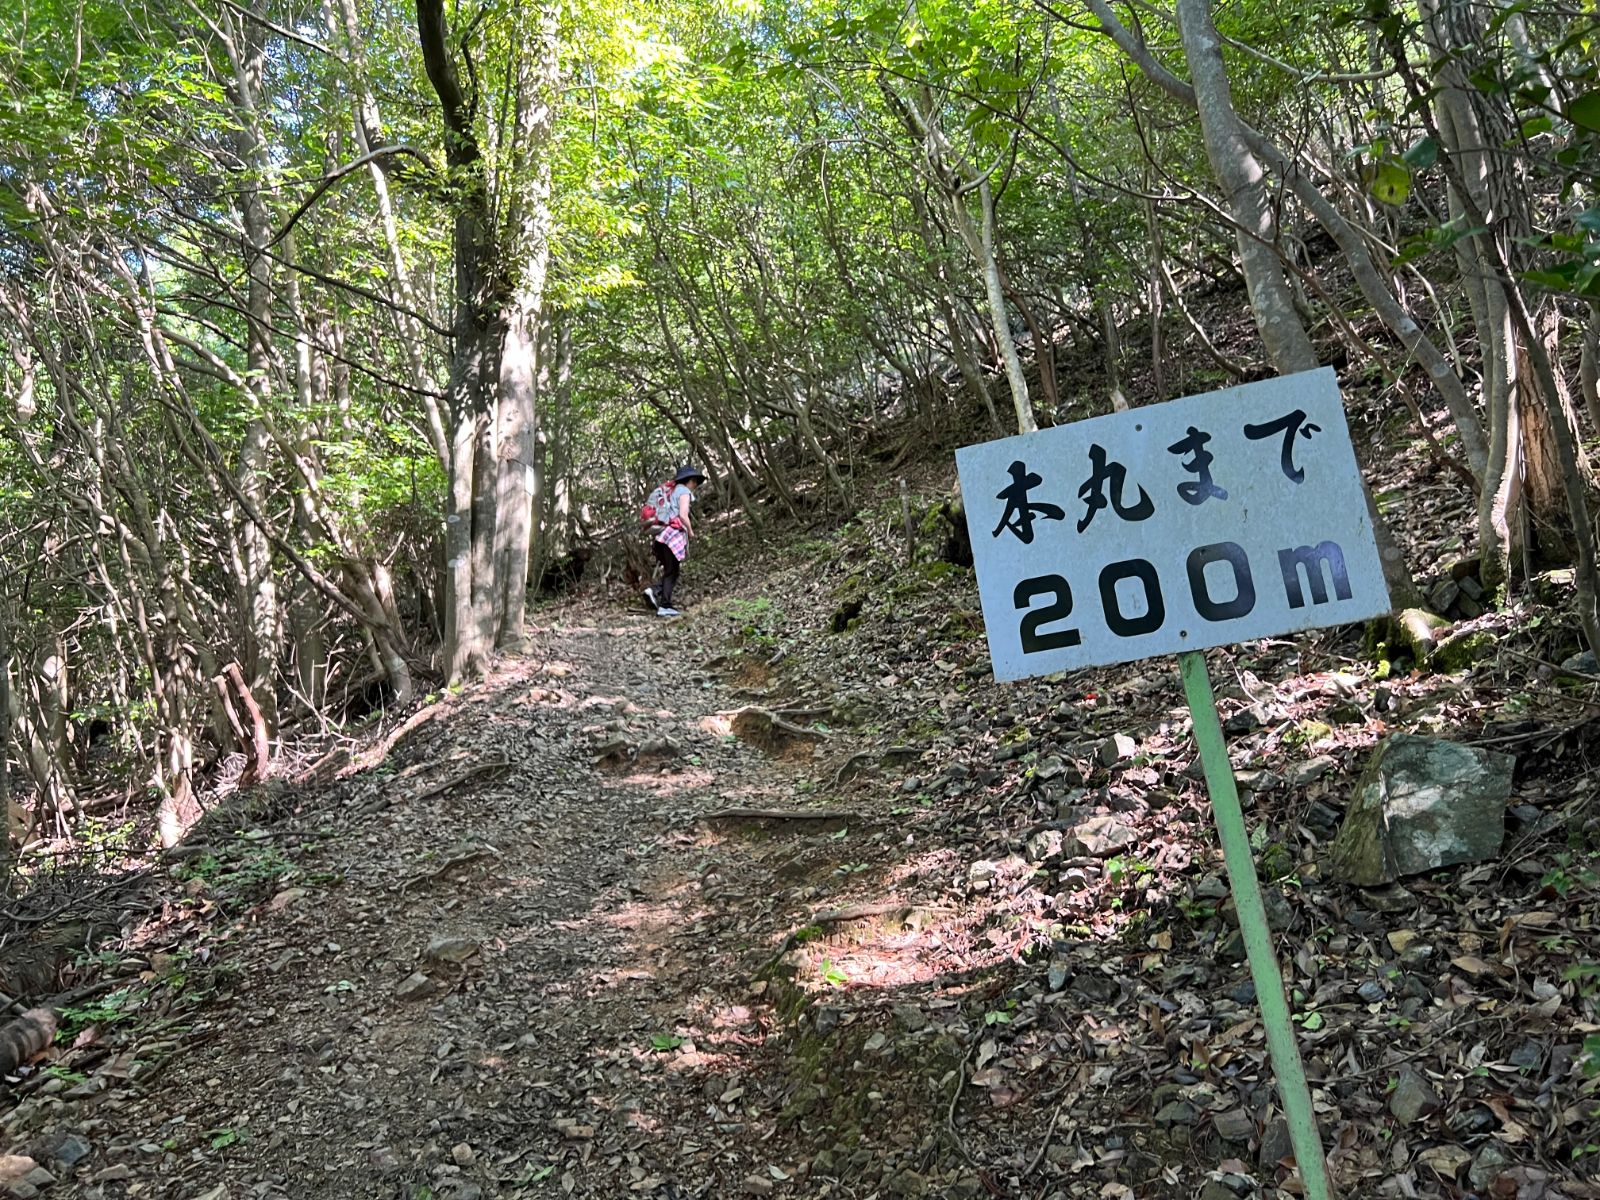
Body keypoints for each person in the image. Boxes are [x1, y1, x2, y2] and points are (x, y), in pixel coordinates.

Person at [644, 465, 705, 617]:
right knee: (672, 571)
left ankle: (654, 591)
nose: (695, 485)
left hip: (661, 536)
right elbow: (683, 515)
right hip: (671, 537)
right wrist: (690, 531)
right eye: (695, 482)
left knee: (671, 571)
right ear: (689, 481)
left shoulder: (672, 491)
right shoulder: (684, 492)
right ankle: (665, 605)